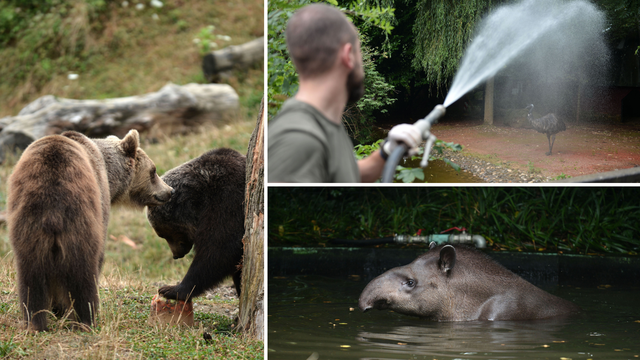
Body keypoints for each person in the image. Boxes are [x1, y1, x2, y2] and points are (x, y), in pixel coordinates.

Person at [268, 3, 422, 183]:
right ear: (348, 56)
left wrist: (386, 152)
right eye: (359, 53)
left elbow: (345, 176)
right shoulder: (299, 140)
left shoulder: (324, 123)